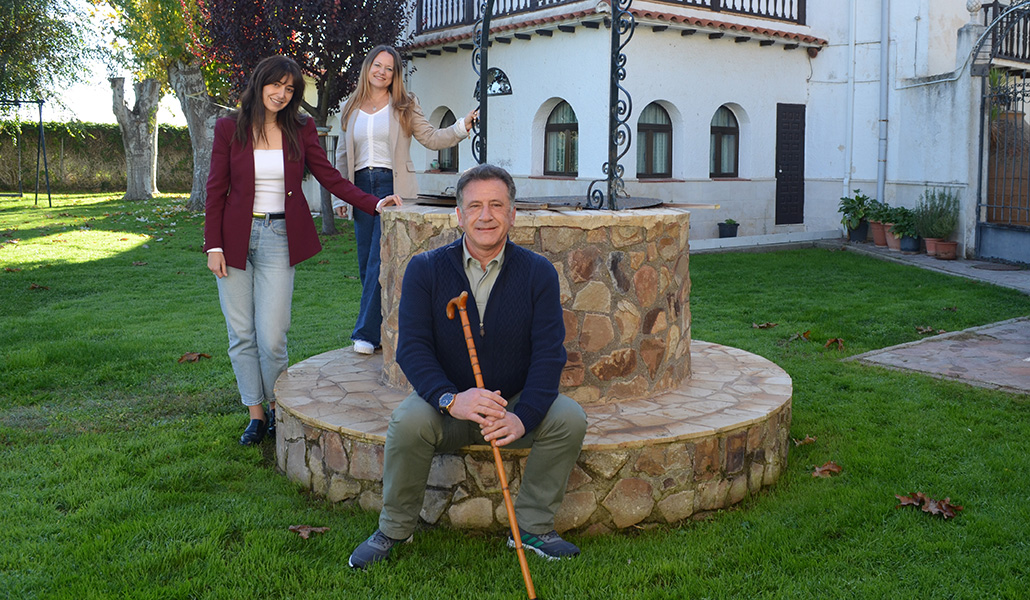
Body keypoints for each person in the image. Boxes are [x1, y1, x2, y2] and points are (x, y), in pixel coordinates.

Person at [348, 164, 587, 569]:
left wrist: (523, 418)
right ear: (458, 215)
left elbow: (549, 354)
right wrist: (450, 398)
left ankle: (530, 528)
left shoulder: (538, 273)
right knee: (407, 422)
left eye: (497, 205)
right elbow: (414, 349)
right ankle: (394, 528)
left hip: (509, 402)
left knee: (569, 418)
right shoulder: (426, 269)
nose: (486, 215)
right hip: (452, 404)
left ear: (513, 215)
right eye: (474, 206)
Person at [204, 55, 401, 446]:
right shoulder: (230, 128)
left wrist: (372, 203)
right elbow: (215, 189)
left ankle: (278, 408)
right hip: (235, 239)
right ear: (260, 83)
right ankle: (255, 414)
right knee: (241, 334)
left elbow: (328, 175)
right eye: (275, 85)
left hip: (279, 236)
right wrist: (214, 245)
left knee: (273, 336)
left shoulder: (300, 127)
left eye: (290, 88)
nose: (281, 93)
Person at [333, 44, 478, 355]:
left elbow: (430, 137)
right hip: (359, 187)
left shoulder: (404, 104)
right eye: (378, 65)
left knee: (377, 262)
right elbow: (343, 155)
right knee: (365, 265)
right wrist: (339, 196)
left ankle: (366, 335)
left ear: (395, 74)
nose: (382, 72)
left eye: (389, 68)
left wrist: (460, 127)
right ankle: (383, 326)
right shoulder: (351, 106)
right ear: (367, 66)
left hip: (392, 187)